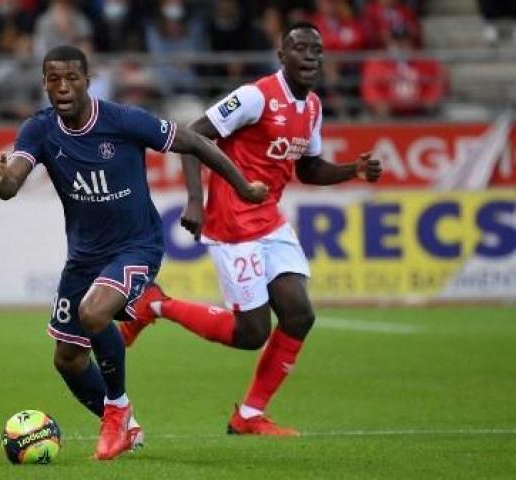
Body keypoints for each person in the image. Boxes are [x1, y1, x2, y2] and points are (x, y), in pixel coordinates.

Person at [0, 45, 268, 460]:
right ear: (44, 82)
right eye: (52, 79)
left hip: (137, 245)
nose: (62, 87)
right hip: (84, 257)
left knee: (94, 312)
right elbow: (11, 183)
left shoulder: (123, 120)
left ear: (88, 80)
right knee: (68, 358)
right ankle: (127, 428)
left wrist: (241, 187)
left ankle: (117, 413)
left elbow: (194, 142)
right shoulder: (39, 130)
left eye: (71, 78)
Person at [119, 22, 383, 436]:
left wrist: (355, 169)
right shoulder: (254, 96)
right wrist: (195, 200)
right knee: (251, 333)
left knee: (299, 314)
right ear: (282, 55)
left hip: (269, 218)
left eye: (317, 50)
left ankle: (249, 416)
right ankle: (155, 303)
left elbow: (309, 168)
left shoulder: (312, 106)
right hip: (233, 221)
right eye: (300, 48)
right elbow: (190, 137)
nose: (311, 56)